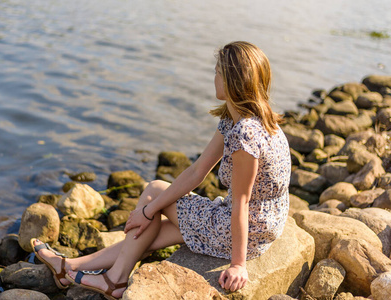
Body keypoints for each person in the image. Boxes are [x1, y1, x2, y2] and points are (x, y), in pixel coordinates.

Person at [31, 41, 291, 300]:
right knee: (155, 233)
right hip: (262, 220)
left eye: (217, 72)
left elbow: (242, 202)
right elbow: (197, 172)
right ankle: (69, 268)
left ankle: (115, 279)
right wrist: (148, 213)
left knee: (155, 190)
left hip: (251, 229)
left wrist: (238, 265)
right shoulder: (240, 119)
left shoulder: (245, 133)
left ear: (232, 80)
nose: (213, 78)